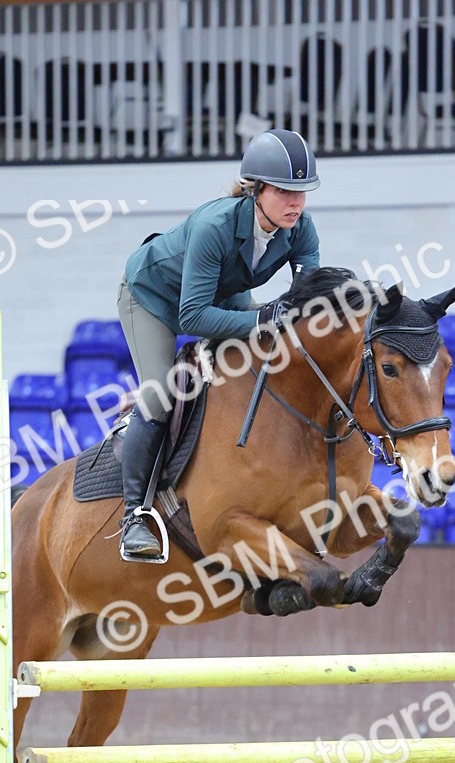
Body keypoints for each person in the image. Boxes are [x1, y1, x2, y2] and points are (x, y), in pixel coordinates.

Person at [116, 128, 321, 561]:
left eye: (301, 192)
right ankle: (135, 516)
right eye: (285, 191)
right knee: (160, 397)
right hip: (153, 298)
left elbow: (304, 305)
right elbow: (192, 317)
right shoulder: (215, 225)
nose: (295, 203)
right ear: (256, 189)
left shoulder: (301, 230)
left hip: (221, 294)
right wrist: (264, 317)